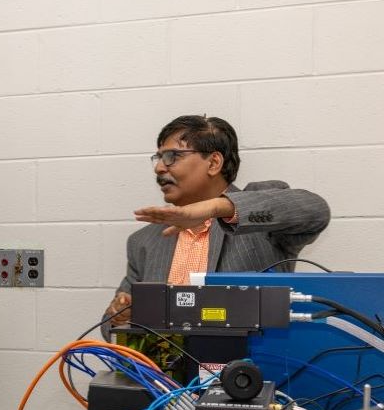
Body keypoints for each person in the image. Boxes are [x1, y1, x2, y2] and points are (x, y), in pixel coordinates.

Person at [103, 115, 330, 336]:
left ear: (213, 163)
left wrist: (216, 208)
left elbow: (316, 211)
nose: (159, 168)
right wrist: (121, 315)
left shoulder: (260, 216)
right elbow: (109, 327)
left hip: (246, 368)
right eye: (158, 158)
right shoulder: (144, 241)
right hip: (166, 372)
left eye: (172, 156)